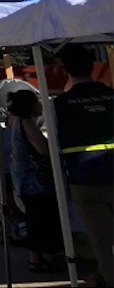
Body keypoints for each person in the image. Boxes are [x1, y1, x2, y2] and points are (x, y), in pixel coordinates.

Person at [54, 44, 113, 288]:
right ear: (93, 66)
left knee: (103, 241)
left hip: (85, 180)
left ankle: (106, 278)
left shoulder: (59, 105)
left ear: (65, 69)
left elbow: (54, 141)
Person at [10, 88, 64, 273]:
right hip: (33, 182)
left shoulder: (18, 122)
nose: (41, 105)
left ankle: (38, 257)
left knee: (36, 219)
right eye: (38, 101)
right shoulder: (27, 123)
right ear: (31, 106)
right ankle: (40, 257)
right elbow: (42, 149)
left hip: (26, 181)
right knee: (40, 220)